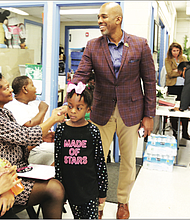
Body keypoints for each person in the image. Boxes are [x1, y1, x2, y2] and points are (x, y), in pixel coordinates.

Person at [65, 2, 156, 219]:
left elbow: (149, 82)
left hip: (132, 111)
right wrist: (70, 94)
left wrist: (149, 115)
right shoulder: (93, 45)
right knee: (95, 159)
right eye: (98, 17)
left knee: (127, 160)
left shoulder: (140, 44)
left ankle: (123, 201)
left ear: (118, 19)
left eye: (104, 17)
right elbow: (81, 75)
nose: (99, 21)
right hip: (101, 111)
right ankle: (98, 204)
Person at [0, 73, 67, 219]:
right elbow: (26, 135)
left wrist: (42, 138)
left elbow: (19, 142)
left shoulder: (5, 112)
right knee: (55, 189)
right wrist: (52, 118)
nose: (10, 90)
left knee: (58, 176)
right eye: (5, 88)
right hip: (10, 177)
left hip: (18, 170)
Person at [55, 82, 108, 219]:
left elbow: (100, 162)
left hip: (89, 189)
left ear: (88, 110)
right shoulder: (61, 129)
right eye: (70, 106)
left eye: (79, 108)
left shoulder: (92, 131)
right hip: (70, 187)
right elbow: (58, 161)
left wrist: (102, 191)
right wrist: (60, 188)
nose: (73, 111)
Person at [4, 76, 54, 165]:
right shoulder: (12, 106)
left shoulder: (32, 105)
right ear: (25, 89)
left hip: (43, 144)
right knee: (59, 156)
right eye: (32, 85)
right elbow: (29, 127)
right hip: (31, 151)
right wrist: (43, 112)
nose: (35, 89)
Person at [165, 42, 190, 140]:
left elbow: (187, 71)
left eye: (177, 50)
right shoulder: (168, 59)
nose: (175, 52)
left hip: (184, 87)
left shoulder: (184, 58)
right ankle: (175, 133)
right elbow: (170, 73)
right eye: (174, 50)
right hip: (173, 86)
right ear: (171, 51)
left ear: (180, 51)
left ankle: (184, 132)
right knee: (173, 110)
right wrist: (180, 72)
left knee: (184, 109)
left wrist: (177, 71)